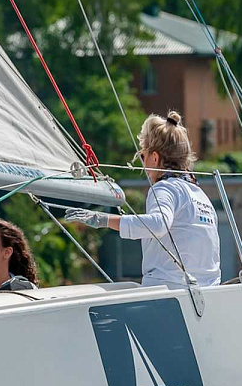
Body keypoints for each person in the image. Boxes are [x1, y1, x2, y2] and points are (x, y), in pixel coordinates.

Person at [62, 111, 222, 287]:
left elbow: (158, 224)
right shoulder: (201, 195)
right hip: (209, 292)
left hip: (169, 290)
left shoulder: (164, 188)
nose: (143, 164)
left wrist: (102, 219)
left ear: (155, 157)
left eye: (143, 156)